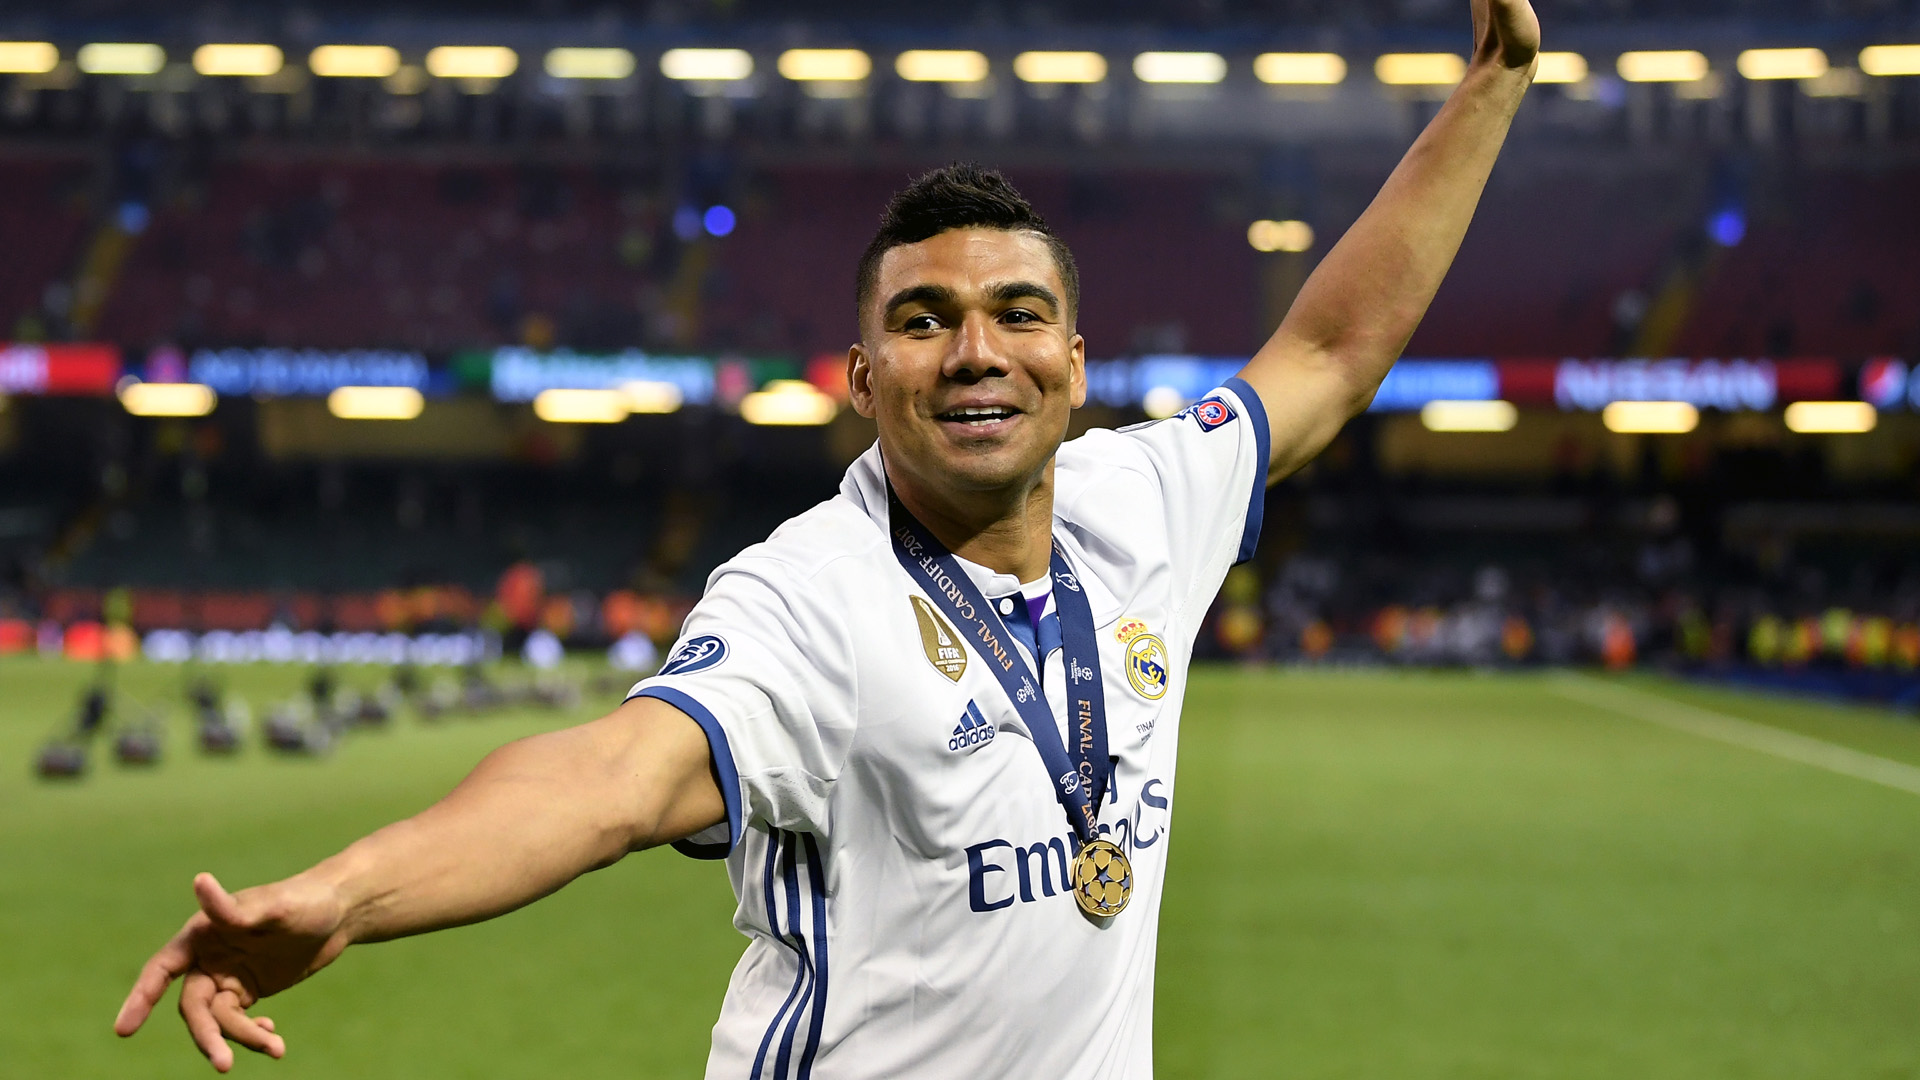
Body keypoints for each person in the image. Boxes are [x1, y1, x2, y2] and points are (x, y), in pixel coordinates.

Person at [115, 3, 1540, 1074]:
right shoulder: (808, 597)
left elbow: (1330, 350)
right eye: (924, 322)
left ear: (1075, 363)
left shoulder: (1143, 499)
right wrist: (349, 896)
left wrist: (1491, 90)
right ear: (863, 381)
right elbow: (610, 780)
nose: (975, 352)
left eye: (1018, 315)